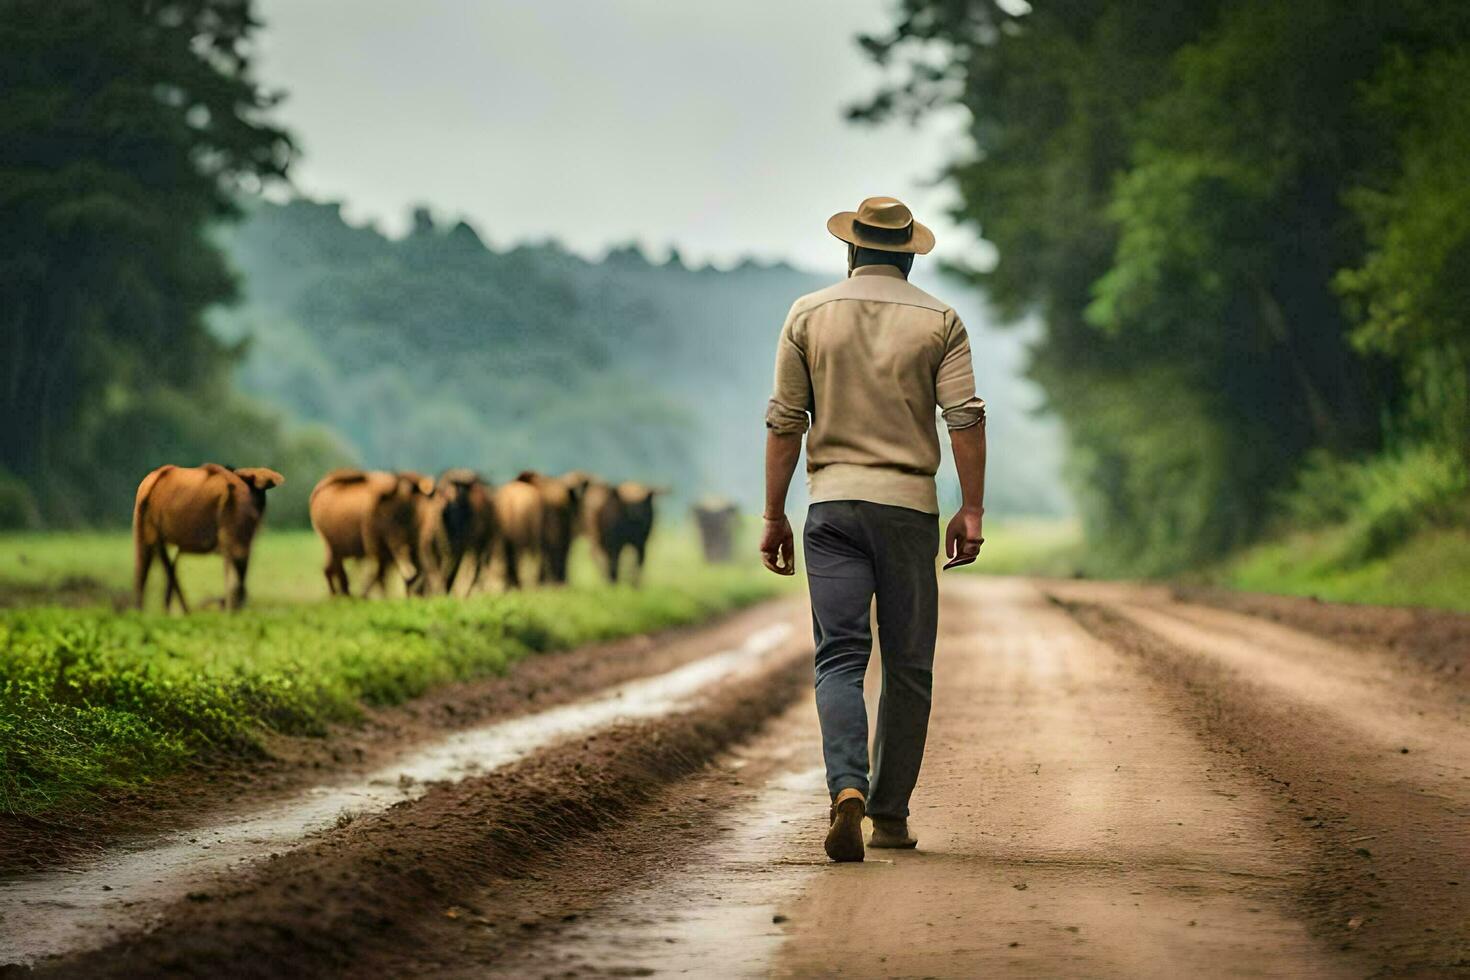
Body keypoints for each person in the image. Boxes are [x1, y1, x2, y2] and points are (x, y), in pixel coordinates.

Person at [760, 196, 987, 862]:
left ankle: (847, 788)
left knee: (839, 658)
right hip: (908, 511)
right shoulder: (940, 320)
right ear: (910, 255)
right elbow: (966, 419)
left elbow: (783, 422)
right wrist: (970, 508)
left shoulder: (807, 314)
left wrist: (774, 515)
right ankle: (889, 816)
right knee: (909, 665)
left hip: (830, 509)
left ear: (852, 250)